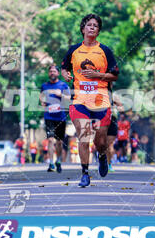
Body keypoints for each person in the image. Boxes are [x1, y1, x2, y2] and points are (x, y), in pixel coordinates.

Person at [61, 13, 119, 187]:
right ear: (83, 28)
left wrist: (97, 75)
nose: (92, 27)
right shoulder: (74, 50)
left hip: (101, 100)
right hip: (80, 100)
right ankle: (85, 173)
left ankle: (101, 155)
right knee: (84, 136)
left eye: (95, 25)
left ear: (98, 31)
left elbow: (114, 75)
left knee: (100, 142)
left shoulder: (105, 51)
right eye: (89, 25)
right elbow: (64, 67)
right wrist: (66, 75)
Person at [40, 65, 71, 173]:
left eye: (54, 71)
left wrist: (60, 94)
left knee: (59, 142)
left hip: (61, 116)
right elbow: (41, 97)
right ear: (48, 74)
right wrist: (42, 102)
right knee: (50, 139)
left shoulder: (63, 85)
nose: (52, 73)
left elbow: (69, 98)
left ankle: (58, 160)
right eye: (50, 71)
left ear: (58, 73)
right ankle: (51, 163)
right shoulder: (44, 86)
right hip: (49, 116)